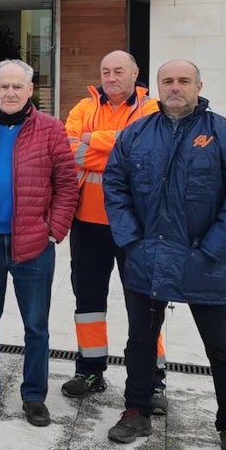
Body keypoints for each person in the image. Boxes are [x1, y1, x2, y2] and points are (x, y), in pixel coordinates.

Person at [103, 60, 226, 450]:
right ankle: (136, 409)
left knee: (223, 350)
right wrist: (131, 240)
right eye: (167, 81)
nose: (175, 87)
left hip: (204, 263)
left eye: (183, 81)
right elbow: (115, 186)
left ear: (199, 85)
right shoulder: (136, 134)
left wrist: (212, 246)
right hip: (148, 259)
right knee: (140, 340)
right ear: (156, 87)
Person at [0, 59, 79, 426]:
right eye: (3, 86)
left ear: (30, 90)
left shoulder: (51, 130)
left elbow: (67, 185)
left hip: (33, 244)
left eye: (17, 87)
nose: (9, 93)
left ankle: (34, 395)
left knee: (35, 325)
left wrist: (53, 228)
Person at [62, 50, 166, 410]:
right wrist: (120, 144)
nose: (110, 76)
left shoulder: (152, 109)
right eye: (105, 70)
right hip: (88, 224)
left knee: (146, 304)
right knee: (88, 302)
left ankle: (152, 381)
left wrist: (93, 140)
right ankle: (90, 370)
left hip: (136, 226)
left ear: (135, 73)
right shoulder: (82, 107)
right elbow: (68, 150)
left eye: (118, 70)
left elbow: (149, 154)